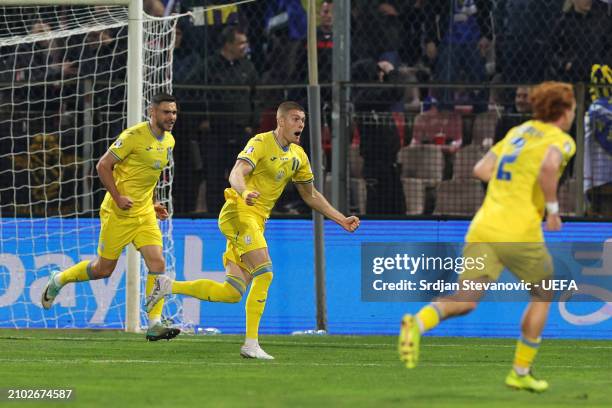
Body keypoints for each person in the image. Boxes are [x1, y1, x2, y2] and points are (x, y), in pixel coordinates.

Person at [398, 82, 577, 393]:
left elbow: (481, 169)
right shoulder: (561, 140)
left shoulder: (518, 132)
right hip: (518, 230)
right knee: (543, 292)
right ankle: (520, 371)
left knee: (466, 299)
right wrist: (552, 209)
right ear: (563, 112)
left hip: (483, 226)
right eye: (573, 108)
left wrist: (514, 179)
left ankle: (419, 322)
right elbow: (549, 166)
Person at [146, 101, 360, 359]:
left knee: (232, 292)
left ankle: (168, 286)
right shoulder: (260, 143)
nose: (300, 124)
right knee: (265, 273)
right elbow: (236, 173)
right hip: (239, 213)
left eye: (303, 120)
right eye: (295, 119)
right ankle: (250, 344)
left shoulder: (298, 156)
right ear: (280, 121)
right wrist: (245, 191)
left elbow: (311, 194)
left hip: (257, 221)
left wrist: (340, 219)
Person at [40, 93, 181, 342]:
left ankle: (154, 323)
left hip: (144, 212)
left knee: (157, 263)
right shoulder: (133, 137)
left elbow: (148, 176)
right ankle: (59, 278)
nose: (171, 117)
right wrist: (117, 198)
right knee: (103, 269)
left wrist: (153, 202)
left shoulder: (169, 141)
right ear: (153, 112)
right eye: (166, 112)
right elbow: (103, 166)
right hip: (118, 212)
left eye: (174, 112)